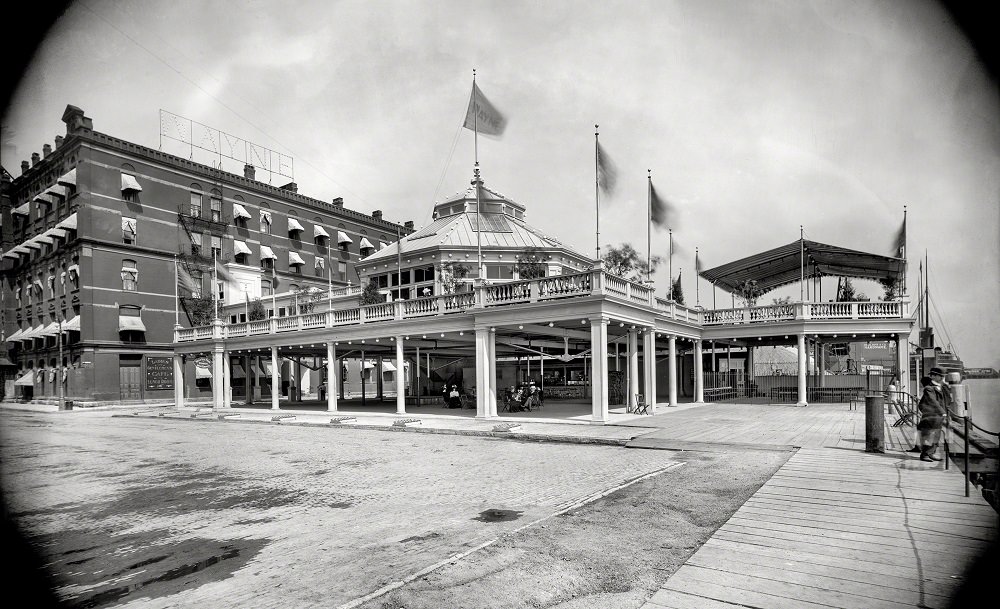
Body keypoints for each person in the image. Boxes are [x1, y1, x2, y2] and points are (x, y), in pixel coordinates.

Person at [915, 367, 950, 462]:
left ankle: (931, 453)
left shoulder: (942, 387)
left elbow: (947, 400)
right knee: (929, 434)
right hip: (931, 415)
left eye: (943, 376)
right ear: (933, 376)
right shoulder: (929, 388)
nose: (942, 378)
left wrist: (946, 411)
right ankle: (925, 454)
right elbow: (932, 401)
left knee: (936, 435)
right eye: (940, 376)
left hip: (938, 416)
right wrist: (942, 412)